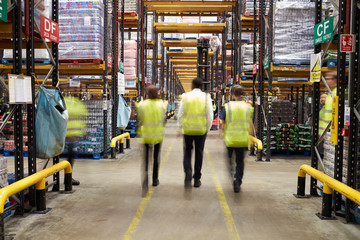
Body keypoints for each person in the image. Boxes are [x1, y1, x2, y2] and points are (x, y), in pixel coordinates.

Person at [177, 78, 213, 188]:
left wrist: (180, 126)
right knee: (199, 153)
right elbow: (210, 115)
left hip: (188, 129)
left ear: (192, 85)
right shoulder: (207, 98)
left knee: (187, 151)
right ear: (202, 86)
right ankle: (197, 179)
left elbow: (180, 113)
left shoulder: (186, 96)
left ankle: (188, 171)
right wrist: (208, 128)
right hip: (201, 130)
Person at [219, 85, 254, 193]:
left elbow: (222, 123)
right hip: (243, 139)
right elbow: (251, 125)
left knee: (230, 160)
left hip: (230, 139)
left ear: (232, 94)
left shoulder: (227, 106)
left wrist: (222, 133)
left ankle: (232, 175)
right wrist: (252, 138)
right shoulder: (248, 107)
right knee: (240, 162)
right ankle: (237, 180)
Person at [136, 85, 167, 191]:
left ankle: (145, 179)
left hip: (146, 134)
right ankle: (155, 179)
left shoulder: (142, 105)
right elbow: (164, 119)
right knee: (156, 157)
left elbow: (140, 119)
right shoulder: (162, 105)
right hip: (158, 134)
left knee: (145, 158)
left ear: (147, 93)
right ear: (157, 93)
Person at [64, 94, 88, 186]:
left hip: (67, 135)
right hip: (69, 135)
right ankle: (67, 179)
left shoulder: (66, 102)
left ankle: (68, 178)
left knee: (69, 157)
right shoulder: (74, 103)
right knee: (69, 157)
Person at [319, 71, 337, 137]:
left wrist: (325, 130)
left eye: (328, 79)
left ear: (335, 80)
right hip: (324, 132)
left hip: (329, 132)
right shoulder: (330, 93)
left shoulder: (337, 93)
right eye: (325, 79)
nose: (325, 81)